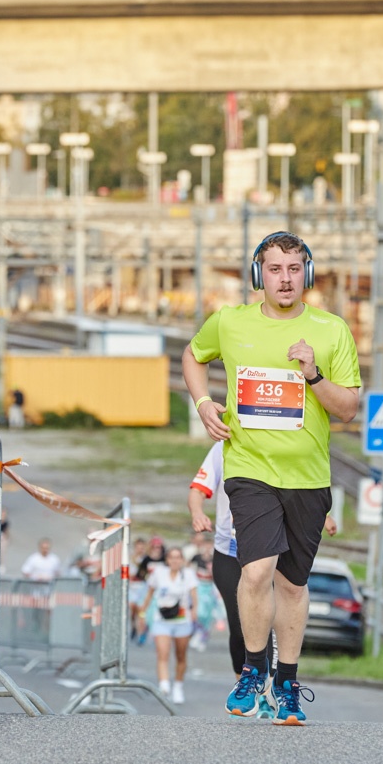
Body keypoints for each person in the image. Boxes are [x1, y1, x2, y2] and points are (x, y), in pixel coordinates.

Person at [183, 230, 361, 726]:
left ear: (307, 273)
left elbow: (349, 408)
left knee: (291, 585)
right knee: (257, 571)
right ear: (258, 274)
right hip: (249, 469)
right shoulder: (230, 321)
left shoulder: (331, 330)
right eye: (275, 269)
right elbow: (192, 357)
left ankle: (286, 681)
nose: (285, 279)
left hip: (307, 476)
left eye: (294, 268)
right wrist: (203, 403)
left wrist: (314, 375)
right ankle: (251, 669)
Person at [189, 440, 340, 685]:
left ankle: (271, 689)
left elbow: (295, 492)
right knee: (242, 626)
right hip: (230, 552)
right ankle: (246, 685)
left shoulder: (280, 440)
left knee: (270, 621)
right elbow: (197, 490)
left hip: (271, 550)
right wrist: (198, 513)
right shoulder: (222, 448)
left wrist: (323, 516)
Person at [138, 546, 199, 705]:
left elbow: (194, 596)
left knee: (181, 656)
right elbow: (149, 593)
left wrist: (194, 611)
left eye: (178, 557)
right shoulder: (159, 573)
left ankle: (178, 686)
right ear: (167, 560)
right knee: (162, 653)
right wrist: (142, 613)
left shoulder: (188, 574)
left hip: (182, 621)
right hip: (162, 620)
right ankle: (164, 685)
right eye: (172, 557)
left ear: (182, 560)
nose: (175, 561)